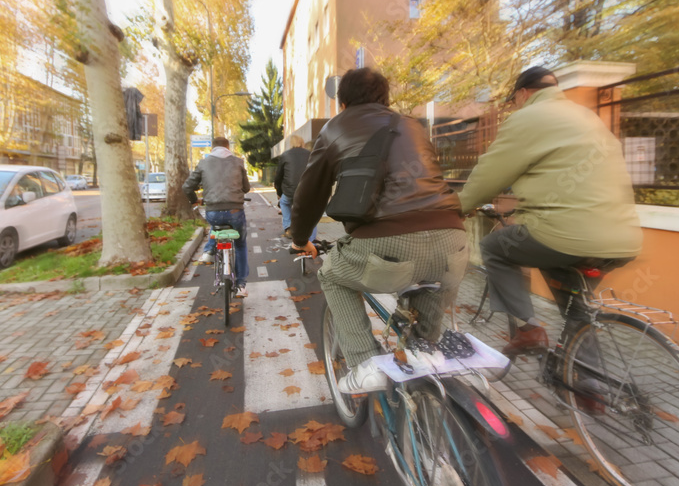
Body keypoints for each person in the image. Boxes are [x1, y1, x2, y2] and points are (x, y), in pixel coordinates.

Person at [291, 68, 468, 394]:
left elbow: (309, 194)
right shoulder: (413, 126)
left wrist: (301, 239)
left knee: (331, 274)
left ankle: (364, 362)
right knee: (426, 321)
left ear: (342, 103)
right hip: (453, 240)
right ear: (386, 100)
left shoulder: (335, 128)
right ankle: (425, 350)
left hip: (385, 242)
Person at [458, 66, 643, 357]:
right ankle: (588, 385)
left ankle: (528, 329)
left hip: (564, 235)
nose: (514, 106)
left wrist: (458, 208)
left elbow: (489, 174)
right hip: (623, 238)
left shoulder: (527, 118)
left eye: (514, 100)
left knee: (495, 246)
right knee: (576, 309)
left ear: (523, 93)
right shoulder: (587, 116)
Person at [183, 136, 251, 297]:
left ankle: (209, 250)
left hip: (213, 212)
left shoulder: (203, 163)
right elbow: (246, 188)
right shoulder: (238, 162)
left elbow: (187, 187)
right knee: (240, 245)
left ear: (212, 148)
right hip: (235, 212)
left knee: (217, 223)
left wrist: (194, 200)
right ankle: (241, 285)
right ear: (228, 146)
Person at [274, 134, 317, 243]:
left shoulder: (285, 155)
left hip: (290, 192)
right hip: (307, 191)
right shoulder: (311, 154)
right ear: (302, 142)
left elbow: (278, 177)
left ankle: (288, 226)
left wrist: (279, 193)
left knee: (284, 202)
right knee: (311, 215)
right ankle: (311, 242)